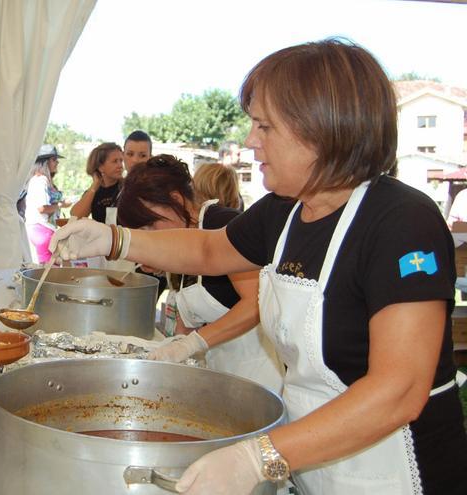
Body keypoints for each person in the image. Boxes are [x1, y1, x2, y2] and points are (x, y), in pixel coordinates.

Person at [50, 38, 467, 494]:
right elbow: (210, 251)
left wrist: (259, 455)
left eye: (264, 126)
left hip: (395, 470)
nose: (250, 141)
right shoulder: (283, 211)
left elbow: (400, 389)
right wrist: (116, 239)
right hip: (313, 459)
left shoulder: (401, 222)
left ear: (322, 128)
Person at [117, 155, 283, 391]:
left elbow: (256, 303)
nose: (150, 236)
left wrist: (193, 343)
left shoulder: (222, 225)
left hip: (254, 376)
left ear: (175, 200)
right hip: (218, 374)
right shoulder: (181, 244)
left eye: (150, 226)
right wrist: (175, 345)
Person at [23, 145, 69, 263]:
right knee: (49, 270)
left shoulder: (39, 180)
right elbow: (42, 208)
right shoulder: (40, 180)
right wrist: (61, 205)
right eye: (54, 160)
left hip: (40, 229)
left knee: (47, 269)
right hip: (41, 228)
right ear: (44, 162)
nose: (57, 162)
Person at [69, 142, 124, 223]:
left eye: (121, 161)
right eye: (115, 161)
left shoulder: (127, 187)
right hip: (101, 235)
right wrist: (94, 186)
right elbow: (75, 217)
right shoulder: (93, 192)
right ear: (100, 167)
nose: (120, 165)